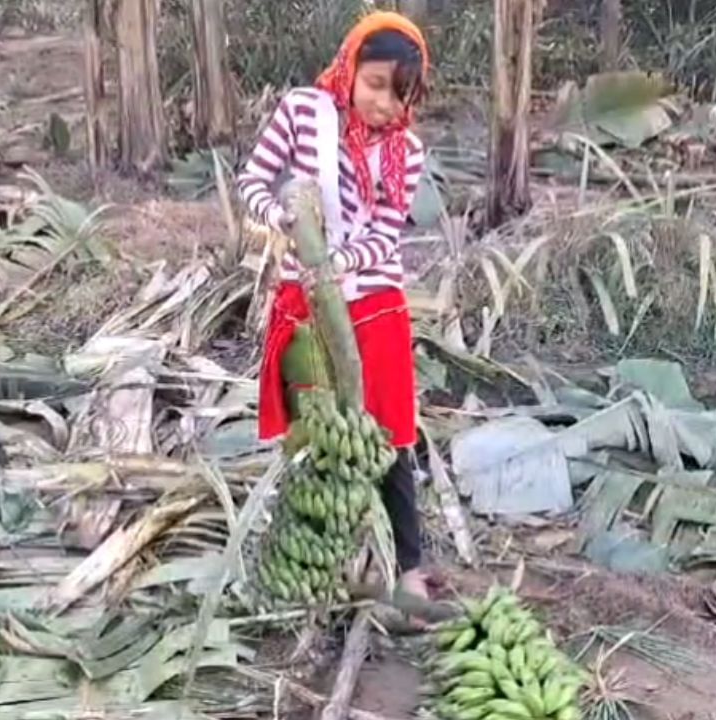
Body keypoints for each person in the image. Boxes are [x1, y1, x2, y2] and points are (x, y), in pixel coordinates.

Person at [237, 12, 430, 599]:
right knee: (314, 430)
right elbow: (252, 182)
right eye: (374, 84)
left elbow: (386, 234)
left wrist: (340, 264)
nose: (383, 103)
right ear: (349, 69)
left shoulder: (408, 152)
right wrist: (282, 219)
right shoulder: (302, 112)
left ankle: (409, 565)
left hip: (372, 297)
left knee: (390, 431)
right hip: (304, 299)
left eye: (399, 94)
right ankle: (315, 560)